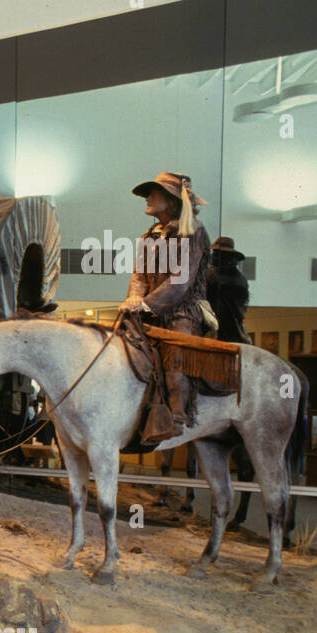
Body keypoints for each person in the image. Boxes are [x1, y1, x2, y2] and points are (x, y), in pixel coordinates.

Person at [119, 171, 214, 437]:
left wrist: (147, 304)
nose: (147, 198)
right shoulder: (148, 236)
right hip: (150, 309)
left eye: (154, 193)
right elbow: (139, 275)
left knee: (175, 361)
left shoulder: (192, 231)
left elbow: (181, 281)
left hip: (182, 310)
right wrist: (134, 297)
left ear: (172, 200)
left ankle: (177, 414)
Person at [206, 236, 250, 345]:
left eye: (217, 254)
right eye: (214, 253)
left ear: (228, 257)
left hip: (225, 325)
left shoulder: (234, 279)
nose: (214, 257)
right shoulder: (213, 274)